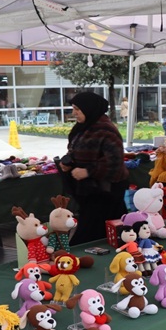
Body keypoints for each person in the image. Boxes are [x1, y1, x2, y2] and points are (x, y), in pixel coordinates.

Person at [59, 92, 128, 246]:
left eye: (77, 109)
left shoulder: (106, 130)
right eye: (73, 108)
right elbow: (76, 150)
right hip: (90, 192)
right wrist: (69, 162)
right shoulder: (83, 128)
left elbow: (115, 161)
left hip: (105, 193)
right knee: (102, 234)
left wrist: (88, 171)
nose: (74, 113)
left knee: (91, 234)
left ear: (88, 108)